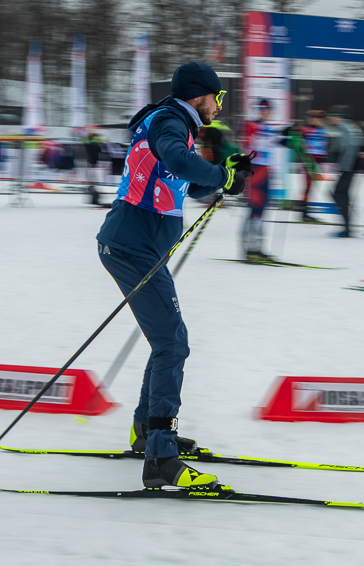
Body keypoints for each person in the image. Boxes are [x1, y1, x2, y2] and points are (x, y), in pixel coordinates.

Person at [96, 61, 250, 490]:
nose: (220, 106)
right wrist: (221, 173)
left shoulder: (173, 124)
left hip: (136, 247)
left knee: (166, 342)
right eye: (218, 97)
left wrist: (226, 177)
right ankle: (160, 455)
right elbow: (176, 159)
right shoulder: (169, 120)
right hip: (133, 248)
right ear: (199, 95)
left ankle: (146, 432)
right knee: (173, 345)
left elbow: (186, 180)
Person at [239, 99, 282, 263]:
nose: (264, 112)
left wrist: (290, 136)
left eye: (267, 109)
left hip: (266, 171)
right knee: (254, 210)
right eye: (261, 109)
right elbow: (253, 144)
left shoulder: (270, 127)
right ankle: (250, 250)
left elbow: (282, 141)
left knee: (262, 211)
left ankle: (258, 249)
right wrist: (278, 136)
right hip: (254, 170)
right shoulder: (250, 125)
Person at [327, 105, 364, 238]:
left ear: (337, 117)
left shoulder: (344, 128)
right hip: (350, 168)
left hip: (348, 168)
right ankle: (347, 226)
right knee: (342, 195)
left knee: (338, 195)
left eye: (330, 116)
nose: (329, 119)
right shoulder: (351, 127)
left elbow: (350, 149)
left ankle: (347, 227)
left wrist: (343, 168)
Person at [299, 110, 329, 222]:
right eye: (312, 117)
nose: (314, 119)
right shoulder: (305, 130)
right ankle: (304, 213)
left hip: (318, 162)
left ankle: (305, 212)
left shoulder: (324, 131)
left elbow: (327, 146)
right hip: (308, 161)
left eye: (318, 117)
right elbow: (297, 143)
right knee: (307, 187)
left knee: (311, 187)